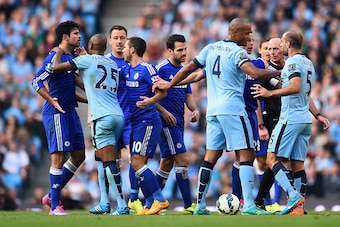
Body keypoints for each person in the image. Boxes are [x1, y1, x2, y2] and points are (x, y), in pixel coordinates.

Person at [153, 17, 280, 215]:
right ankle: (249, 206)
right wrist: (279, 73)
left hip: (213, 111)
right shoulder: (237, 52)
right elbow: (254, 73)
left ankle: (200, 206)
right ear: (235, 33)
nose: (248, 38)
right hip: (233, 110)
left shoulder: (210, 49)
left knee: (210, 157)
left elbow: (189, 69)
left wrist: (170, 84)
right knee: (247, 154)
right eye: (246, 33)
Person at [48, 33, 130, 215]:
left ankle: (122, 205)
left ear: (91, 46)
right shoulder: (113, 65)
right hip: (118, 115)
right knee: (101, 160)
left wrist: (59, 52)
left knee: (108, 162)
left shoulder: (86, 60)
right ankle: (104, 203)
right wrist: (85, 56)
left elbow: (55, 68)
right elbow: (87, 83)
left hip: (102, 117)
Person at [251, 30, 331, 215]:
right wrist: (318, 114)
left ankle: (293, 196)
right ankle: (299, 209)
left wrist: (269, 93)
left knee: (271, 159)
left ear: (287, 44)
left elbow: (294, 88)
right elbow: (305, 91)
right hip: (305, 120)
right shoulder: (308, 62)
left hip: (290, 119)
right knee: (297, 165)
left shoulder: (292, 63)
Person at [31, 21, 87, 215]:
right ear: (65, 37)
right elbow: (36, 81)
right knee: (58, 157)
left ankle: (50, 195)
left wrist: (91, 100)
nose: (79, 36)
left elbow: (71, 88)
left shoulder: (71, 58)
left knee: (80, 155)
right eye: (76, 33)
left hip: (70, 111)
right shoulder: (53, 57)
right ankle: (55, 206)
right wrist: (51, 101)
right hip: (57, 112)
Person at [88, 25, 143, 214]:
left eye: (123, 38)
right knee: (105, 160)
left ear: (127, 41)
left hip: (130, 119)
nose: (119, 41)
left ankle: (134, 199)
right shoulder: (103, 62)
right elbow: (95, 90)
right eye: (116, 38)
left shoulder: (131, 63)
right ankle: (105, 200)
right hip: (111, 117)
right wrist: (90, 114)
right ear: (110, 41)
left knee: (136, 159)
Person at [121, 36, 169, 215]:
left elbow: (163, 92)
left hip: (147, 121)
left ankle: (160, 200)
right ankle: (149, 202)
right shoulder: (125, 69)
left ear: (132, 49)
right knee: (138, 163)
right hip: (135, 123)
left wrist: (150, 101)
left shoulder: (147, 69)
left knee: (137, 162)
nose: (123, 50)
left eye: (126, 46)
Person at [155, 34, 199, 214]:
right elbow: (150, 96)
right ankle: (189, 205)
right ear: (170, 51)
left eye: (185, 49)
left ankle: (151, 201)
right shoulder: (160, 69)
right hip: (166, 121)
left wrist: (194, 109)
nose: (184, 53)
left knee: (166, 163)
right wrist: (164, 113)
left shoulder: (183, 70)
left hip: (179, 121)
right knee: (183, 159)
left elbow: (187, 94)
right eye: (179, 50)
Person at [230, 33, 269, 209]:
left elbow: (259, 96)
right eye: (248, 40)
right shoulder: (231, 60)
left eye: (253, 41)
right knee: (241, 156)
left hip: (251, 115)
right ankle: (239, 199)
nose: (251, 43)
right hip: (237, 112)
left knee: (250, 157)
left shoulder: (259, 64)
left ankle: (246, 200)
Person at [254, 37, 286, 213]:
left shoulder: (285, 67)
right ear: (261, 50)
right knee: (265, 160)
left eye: (273, 48)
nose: (270, 52)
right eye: (267, 49)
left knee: (280, 159)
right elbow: (257, 97)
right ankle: (263, 200)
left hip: (284, 118)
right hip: (268, 119)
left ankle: (274, 201)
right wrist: (260, 125)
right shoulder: (262, 71)